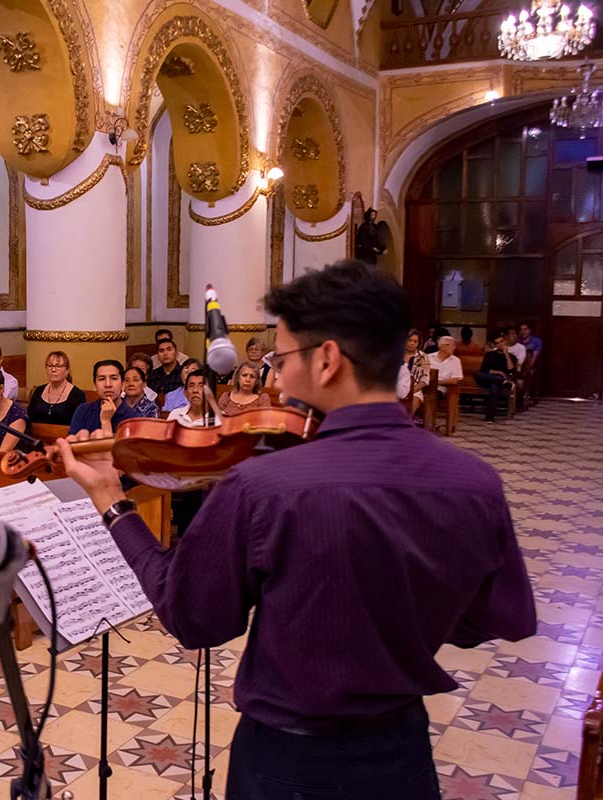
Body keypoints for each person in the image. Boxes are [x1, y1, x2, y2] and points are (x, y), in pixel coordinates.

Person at [56, 261, 535, 799]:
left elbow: (192, 617)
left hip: (288, 763)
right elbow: (504, 617)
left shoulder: (263, 485)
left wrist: (112, 503)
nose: (276, 378)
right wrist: (400, 615)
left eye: (281, 360)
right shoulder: (474, 482)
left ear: (327, 359)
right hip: (402, 752)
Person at [68, 360, 137, 436]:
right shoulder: (83, 410)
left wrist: (106, 421)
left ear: (123, 384)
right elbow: (71, 443)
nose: (108, 384)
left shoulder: (132, 417)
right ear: (95, 385)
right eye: (102, 379)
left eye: (114, 378)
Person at [28, 350, 86, 426]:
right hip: (35, 436)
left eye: (58, 366)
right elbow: (29, 418)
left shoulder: (78, 395)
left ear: (67, 370)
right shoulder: (38, 391)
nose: (53, 370)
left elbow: (79, 424)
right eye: (50, 366)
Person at [474, 333, 515, 424]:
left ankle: (490, 418)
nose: (500, 344)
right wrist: (499, 372)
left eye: (501, 341)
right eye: (497, 343)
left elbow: (511, 369)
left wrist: (506, 355)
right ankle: (501, 381)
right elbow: (484, 369)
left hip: (496, 384)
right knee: (477, 374)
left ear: (505, 342)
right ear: (495, 345)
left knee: (494, 388)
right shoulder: (489, 355)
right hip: (487, 379)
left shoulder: (511, 357)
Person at [401, 329, 430, 413]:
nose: (412, 343)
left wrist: (411, 391)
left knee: (407, 411)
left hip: (414, 391)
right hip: (396, 389)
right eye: (410, 340)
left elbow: (425, 380)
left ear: (418, 344)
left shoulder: (422, 357)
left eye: (415, 341)